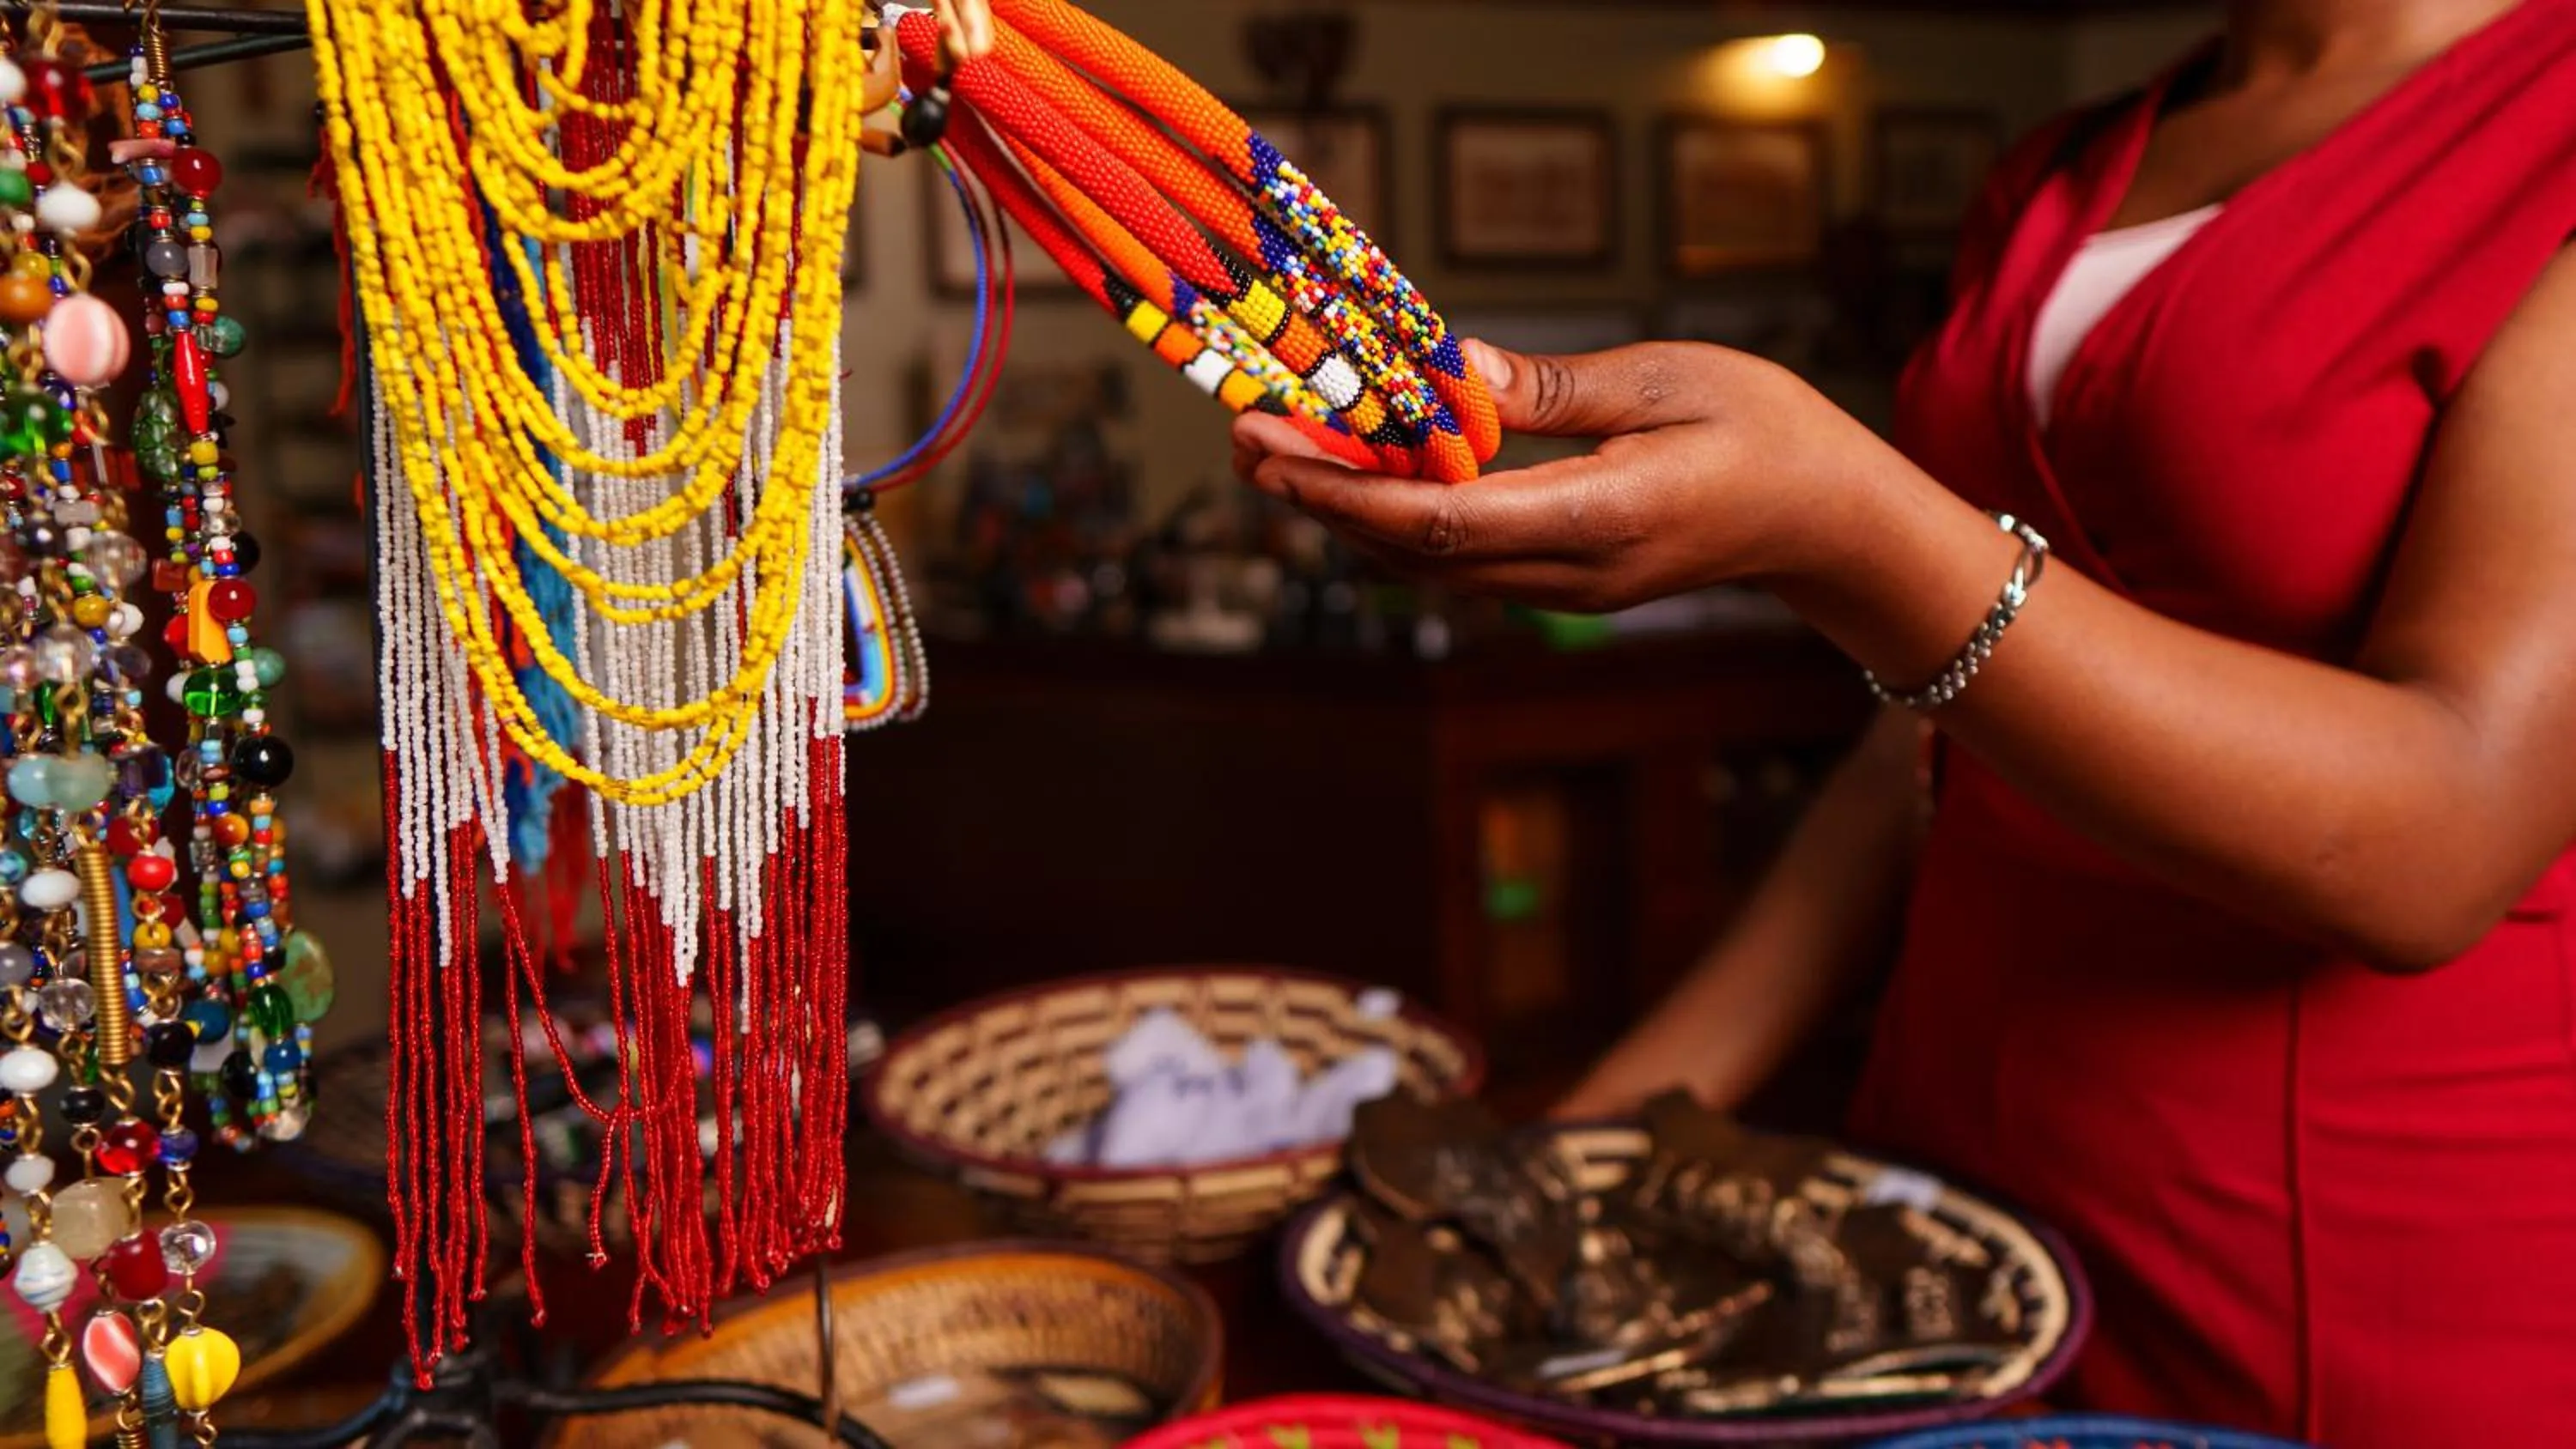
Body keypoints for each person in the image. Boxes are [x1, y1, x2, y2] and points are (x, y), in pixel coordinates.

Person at [1230, 0, 2576, 1441]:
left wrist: (1844, 528)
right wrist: (1581, 1149)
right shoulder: (2072, 164)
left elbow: (2450, 828)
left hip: (2330, 1245)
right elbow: (1918, 753)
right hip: (1938, 1213)